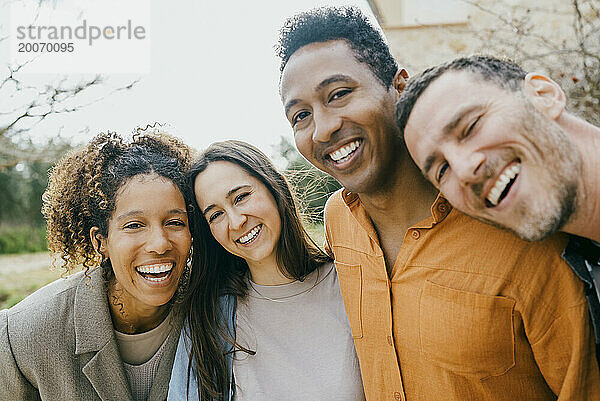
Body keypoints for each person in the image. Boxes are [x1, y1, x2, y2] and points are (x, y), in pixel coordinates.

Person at [278, 6, 600, 401]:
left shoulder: (520, 225)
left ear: (398, 86)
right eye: (300, 116)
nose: (323, 127)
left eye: (340, 94)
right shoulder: (338, 222)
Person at [397, 55, 600, 350]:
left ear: (544, 95)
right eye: (442, 170)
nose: (465, 170)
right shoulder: (582, 269)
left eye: (470, 127)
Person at [0, 130, 194, 401]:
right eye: (134, 225)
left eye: (175, 223)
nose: (160, 244)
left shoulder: (216, 316)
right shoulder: (23, 336)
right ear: (100, 240)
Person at [168, 140, 365, 401]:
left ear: (275, 186)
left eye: (241, 197)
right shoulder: (208, 320)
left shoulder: (352, 285)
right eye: (215, 215)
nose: (236, 222)